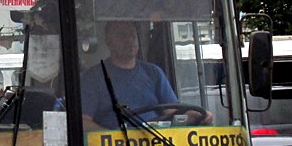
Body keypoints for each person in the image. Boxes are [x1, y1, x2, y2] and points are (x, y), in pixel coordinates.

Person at [81, 19, 210, 130]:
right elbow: (84, 122)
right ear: (108, 42)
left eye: (132, 35)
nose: (129, 39)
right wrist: (114, 139)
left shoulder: (154, 73)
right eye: (122, 35)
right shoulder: (93, 78)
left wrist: (199, 115)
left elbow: (172, 112)